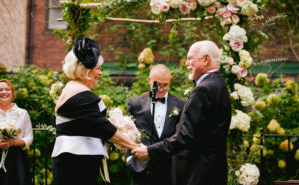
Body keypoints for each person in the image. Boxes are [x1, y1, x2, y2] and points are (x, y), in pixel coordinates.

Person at [132, 40, 232, 185]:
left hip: (198, 174)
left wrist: (150, 151)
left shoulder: (204, 89)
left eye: (190, 58)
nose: (186, 63)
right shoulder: (218, 84)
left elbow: (186, 136)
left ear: (205, 59)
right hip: (212, 172)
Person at [51, 38, 139, 185]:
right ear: (85, 70)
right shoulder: (81, 95)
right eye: (98, 68)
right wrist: (134, 146)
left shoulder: (73, 89)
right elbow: (103, 127)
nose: (101, 73)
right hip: (77, 161)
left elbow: (91, 126)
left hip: (74, 158)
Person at [126, 64, 185, 185]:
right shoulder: (135, 103)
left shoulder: (180, 104)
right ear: (149, 80)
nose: (161, 89)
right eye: (157, 84)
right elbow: (126, 132)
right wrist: (129, 159)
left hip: (170, 170)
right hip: (141, 169)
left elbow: (182, 135)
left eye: (165, 85)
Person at [0, 79, 33, 185]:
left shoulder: (22, 113)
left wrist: (12, 143)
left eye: (7, 89)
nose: (4, 92)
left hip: (16, 158)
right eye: (0, 90)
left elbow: (29, 137)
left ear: (12, 93)